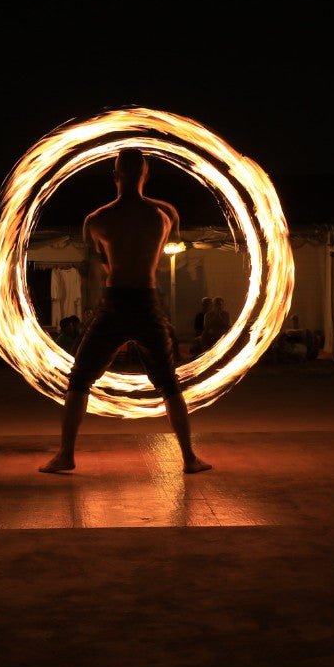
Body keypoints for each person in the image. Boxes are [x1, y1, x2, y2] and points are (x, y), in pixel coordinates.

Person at [39, 148, 211, 475]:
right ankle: (189, 458)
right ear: (146, 175)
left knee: (79, 380)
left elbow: (99, 270)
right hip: (146, 301)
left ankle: (65, 455)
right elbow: (159, 254)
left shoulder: (97, 219)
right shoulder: (164, 215)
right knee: (167, 382)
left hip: (114, 302)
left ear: (114, 176)